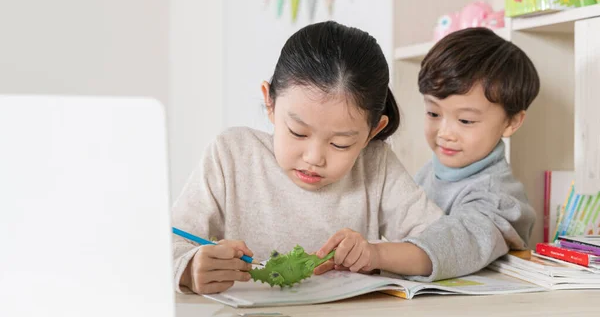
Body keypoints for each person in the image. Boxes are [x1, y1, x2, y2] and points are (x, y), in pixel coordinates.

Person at [171, 21, 444, 295]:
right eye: (298, 133)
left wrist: (377, 254)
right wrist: (189, 269)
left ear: (373, 131)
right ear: (270, 102)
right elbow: (164, 242)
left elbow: (445, 243)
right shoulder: (231, 155)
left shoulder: (376, 165)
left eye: (340, 144)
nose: (314, 158)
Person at [402, 27, 539, 281]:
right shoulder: (429, 172)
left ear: (511, 122)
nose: (445, 133)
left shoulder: (498, 198)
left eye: (465, 120)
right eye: (433, 113)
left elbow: (457, 242)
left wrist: (376, 254)